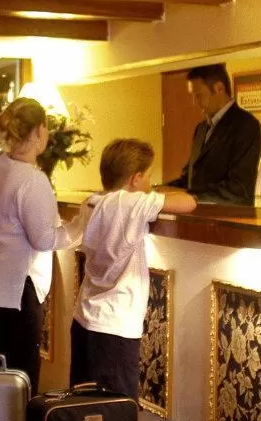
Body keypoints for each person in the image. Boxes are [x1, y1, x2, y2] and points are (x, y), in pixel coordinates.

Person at [71, 139, 197, 396]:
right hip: (115, 326)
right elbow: (188, 202)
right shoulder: (131, 204)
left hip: (84, 319)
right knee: (116, 408)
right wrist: (155, 194)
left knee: (82, 404)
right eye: (149, 176)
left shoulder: (91, 202)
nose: (151, 182)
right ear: (135, 179)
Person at [0, 97, 79, 391]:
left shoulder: (1, 165)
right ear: (40, 131)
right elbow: (44, 240)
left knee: (10, 371)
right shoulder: (32, 180)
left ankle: (4, 419)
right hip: (17, 290)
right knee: (23, 376)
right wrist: (80, 225)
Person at [163, 63, 261, 205]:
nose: (195, 102)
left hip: (228, 216)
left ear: (219, 88)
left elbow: (239, 190)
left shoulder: (246, 125)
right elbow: (190, 179)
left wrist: (190, 195)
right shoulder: (201, 129)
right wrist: (160, 190)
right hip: (198, 214)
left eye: (199, 95)